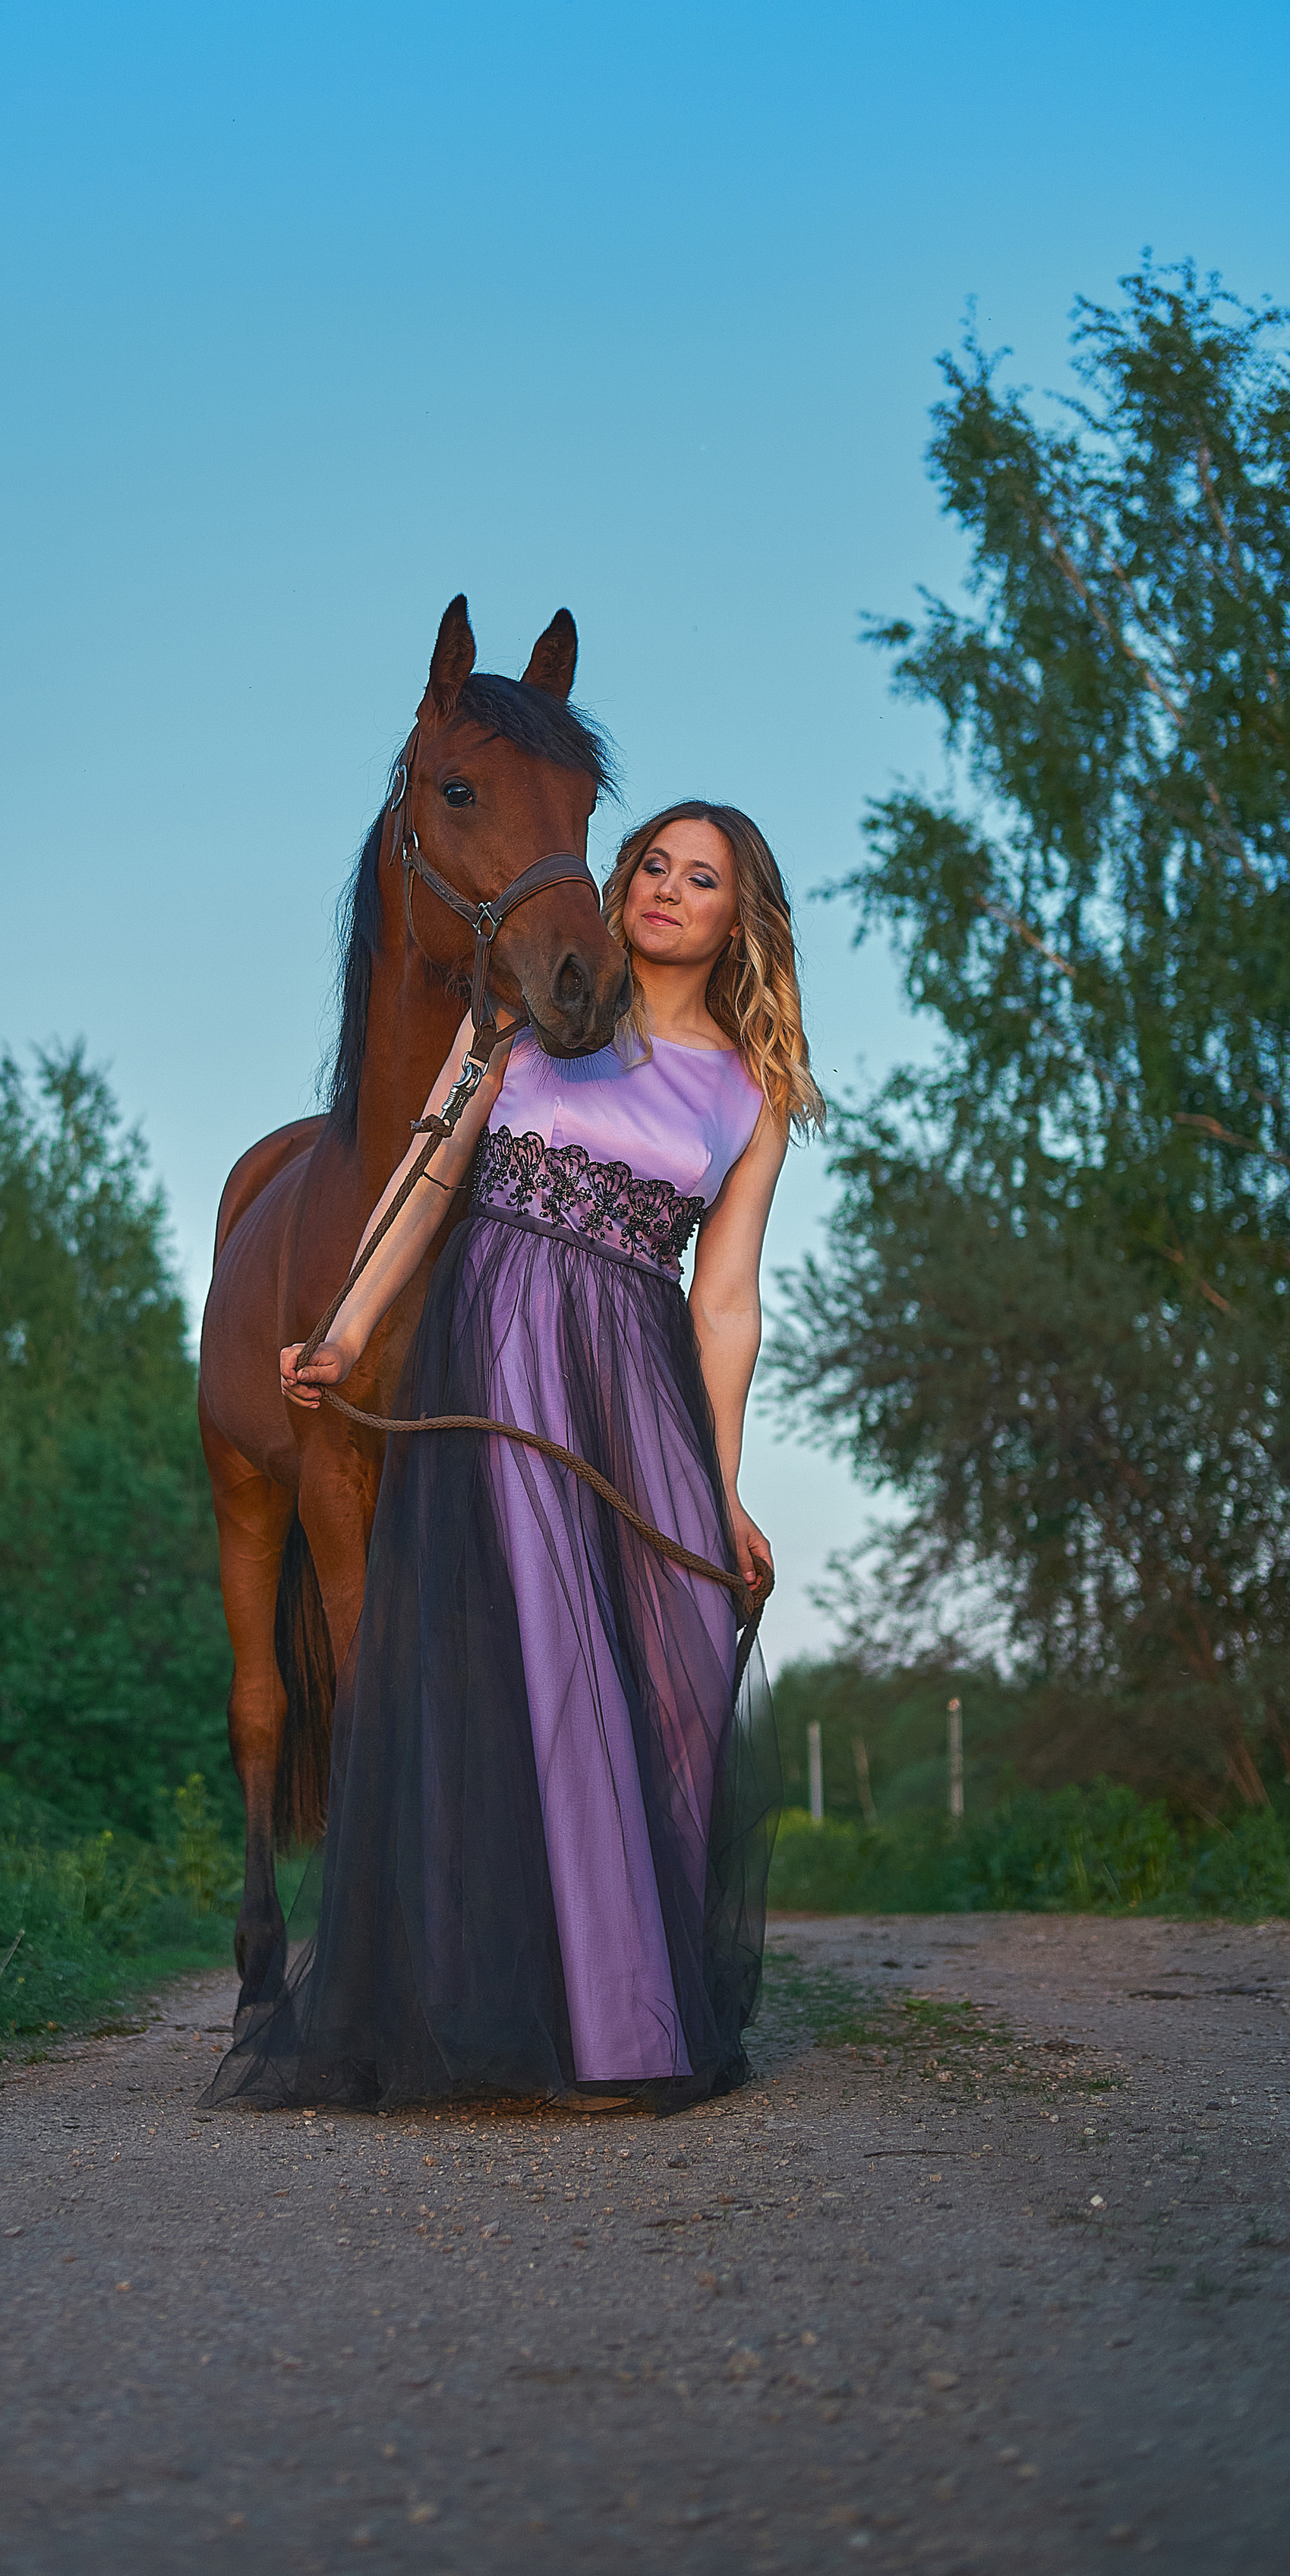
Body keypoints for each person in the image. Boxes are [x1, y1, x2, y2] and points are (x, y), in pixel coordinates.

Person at [204, 801, 824, 2115]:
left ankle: (634, 2005)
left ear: (737, 915)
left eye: (698, 877)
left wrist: (717, 1493)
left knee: (680, 1668)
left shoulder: (749, 1091)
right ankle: (572, 2038)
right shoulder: (525, 1018)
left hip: (639, 1373)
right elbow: (426, 1179)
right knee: (550, 1674)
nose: (665, 888)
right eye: (653, 863)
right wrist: (347, 1324)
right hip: (506, 1355)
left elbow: (725, 1304)